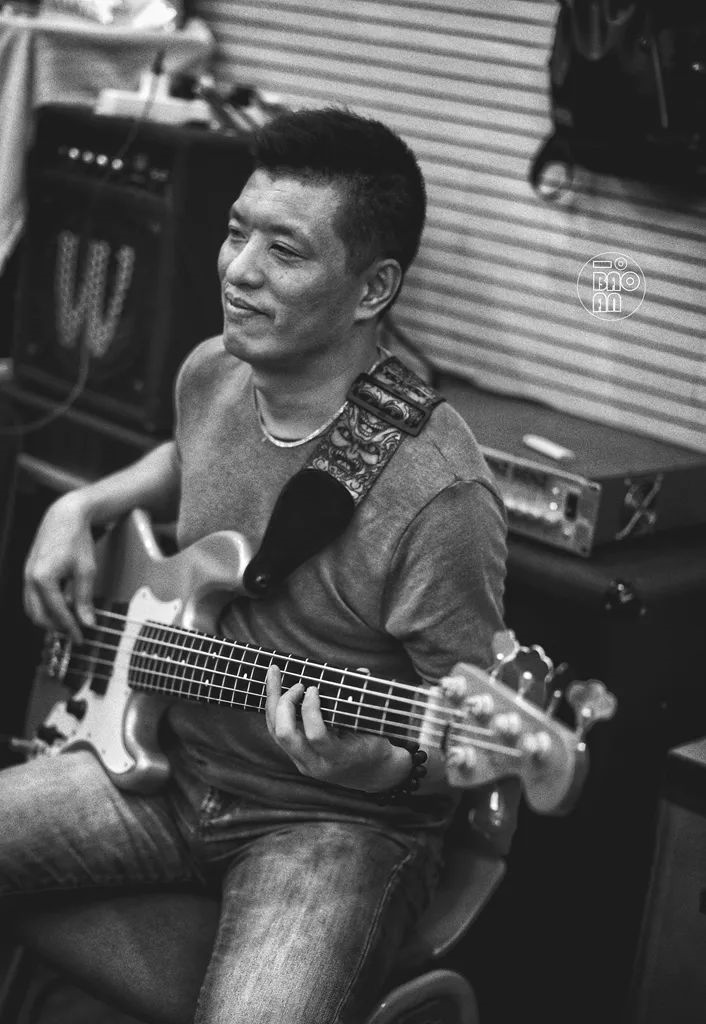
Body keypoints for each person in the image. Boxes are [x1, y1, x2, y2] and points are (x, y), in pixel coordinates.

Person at [0, 107, 507, 1023]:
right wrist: (84, 505)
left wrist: (373, 768)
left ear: (373, 289)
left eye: (285, 249)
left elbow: (467, 741)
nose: (238, 269)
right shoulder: (215, 373)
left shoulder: (440, 497)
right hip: (163, 765)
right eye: (237, 232)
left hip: (332, 824)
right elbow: (188, 455)